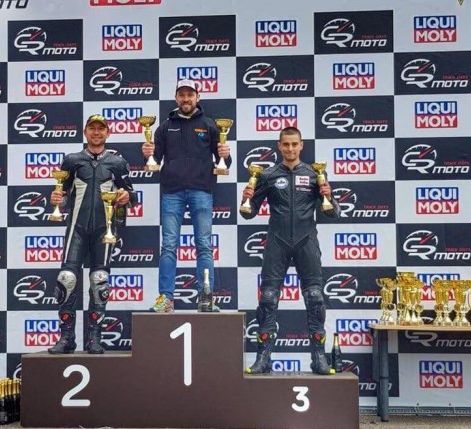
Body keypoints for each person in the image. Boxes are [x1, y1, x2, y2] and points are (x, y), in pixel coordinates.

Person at [240, 126, 341, 375]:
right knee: (268, 298)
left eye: (294, 144)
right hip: (277, 241)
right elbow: (249, 213)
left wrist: (329, 197)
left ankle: (319, 358)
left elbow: (333, 213)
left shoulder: (315, 173)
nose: (290, 149)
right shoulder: (267, 175)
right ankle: (263, 358)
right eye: (286, 144)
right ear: (279, 145)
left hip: (307, 241)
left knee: (315, 298)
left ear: (301, 145)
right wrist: (246, 198)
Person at [48, 114, 137, 354]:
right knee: (67, 278)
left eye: (101, 129)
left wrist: (126, 197)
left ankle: (94, 337)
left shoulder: (118, 163)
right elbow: (62, 195)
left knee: (99, 280)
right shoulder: (71, 160)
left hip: (104, 230)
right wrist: (56, 199)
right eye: (92, 128)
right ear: (85, 132)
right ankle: (66, 337)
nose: (96, 133)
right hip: (76, 229)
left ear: (108, 133)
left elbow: (132, 196)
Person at [142, 79, 231, 313]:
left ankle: (206, 297)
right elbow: (154, 161)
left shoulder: (210, 125)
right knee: (169, 246)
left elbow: (224, 163)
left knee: (204, 246)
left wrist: (225, 154)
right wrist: (147, 154)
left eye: (190, 95)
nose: (186, 99)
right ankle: (166, 299)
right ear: (176, 98)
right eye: (181, 95)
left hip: (201, 190)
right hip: (172, 192)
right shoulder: (164, 127)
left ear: (197, 98)